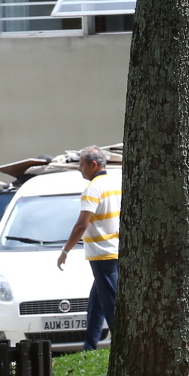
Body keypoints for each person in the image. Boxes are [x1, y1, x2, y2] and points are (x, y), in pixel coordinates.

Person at [57, 146, 121, 351]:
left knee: (110, 301)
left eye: (81, 164)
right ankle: (90, 346)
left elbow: (81, 224)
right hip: (115, 249)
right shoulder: (114, 182)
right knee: (97, 300)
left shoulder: (93, 188)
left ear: (93, 165)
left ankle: (120, 344)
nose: (79, 169)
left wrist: (65, 251)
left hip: (102, 253)